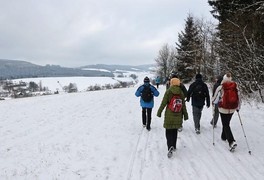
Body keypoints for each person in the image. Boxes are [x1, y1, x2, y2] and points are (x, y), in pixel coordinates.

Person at [157, 78, 188, 158]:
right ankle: (173, 145)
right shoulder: (181, 92)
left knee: (168, 131)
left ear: (171, 83)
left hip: (169, 114)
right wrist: (185, 115)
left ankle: (169, 146)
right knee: (174, 131)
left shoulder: (168, 91)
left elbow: (163, 103)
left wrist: (159, 112)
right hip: (178, 114)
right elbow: (183, 105)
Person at [212, 73, 241, 151]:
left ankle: (231, 142)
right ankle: (223, 136)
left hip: (223, 109)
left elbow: (215, 99)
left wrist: (213, 103)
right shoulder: (235, 86)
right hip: (232, 109)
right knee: (226, 123)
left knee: (225, 124)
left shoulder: (220, 87)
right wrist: (238, 107)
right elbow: (239, 97)